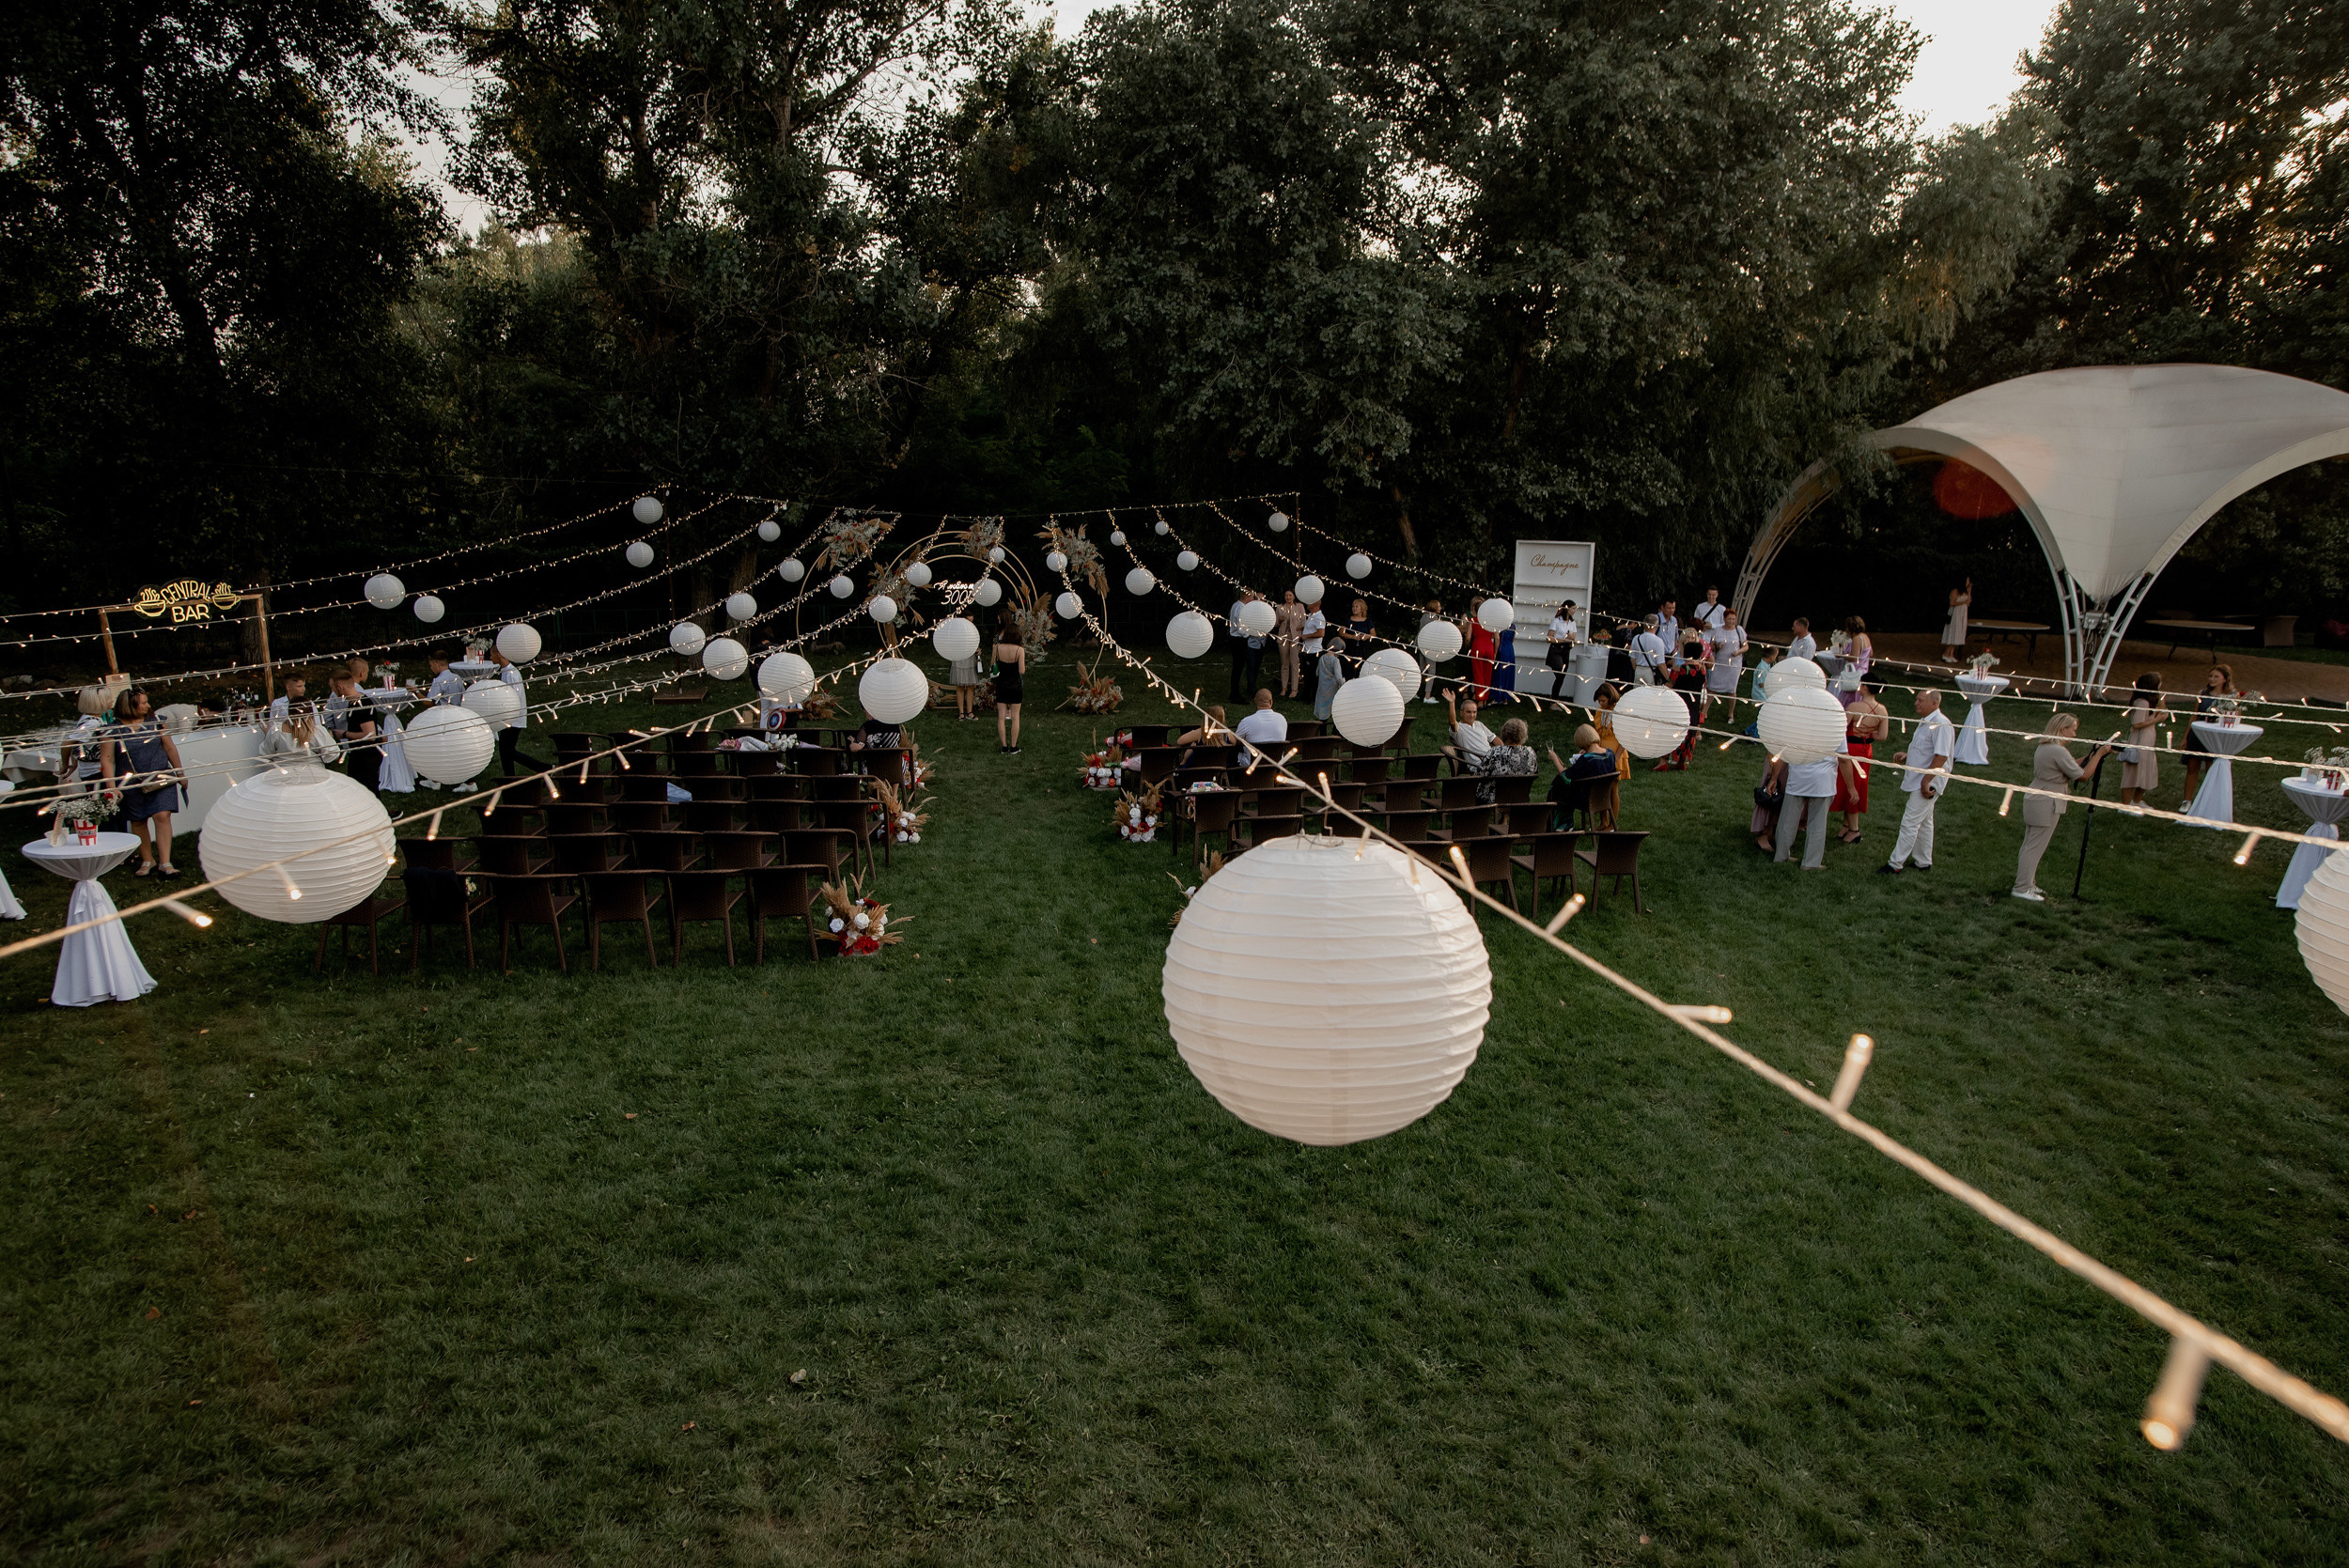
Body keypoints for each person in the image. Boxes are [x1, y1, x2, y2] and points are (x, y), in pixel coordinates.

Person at [2015, 713, 2115, 902]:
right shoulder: (2057, 750)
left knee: (2030, 844)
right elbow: (2083, 775)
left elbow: (2069, 766)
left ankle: (2027, 882)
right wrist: (2099, 755)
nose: (2074, 735)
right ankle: (2021, 887)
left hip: (2038, 797)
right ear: (2063, 729)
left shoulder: (2047, 746)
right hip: (2047, 801)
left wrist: (2092, 754)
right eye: (2073, 730)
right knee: (2034, 847)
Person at [100, 688, 185, 877]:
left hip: (160, 778)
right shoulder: (112, 729)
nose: (148, 705)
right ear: (130, 706)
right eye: (144, 702)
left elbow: (169, 748)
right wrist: (111, 788)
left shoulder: (156, 722)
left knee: (162, 815)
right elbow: (107, 759)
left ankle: (165, 862)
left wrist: (180, 772)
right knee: (138, 820)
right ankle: (148, 859)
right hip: (131, 781)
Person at [1880, 689, 1954, 874]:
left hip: (1928, 781)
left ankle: (1895, 864)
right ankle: (1923, 861)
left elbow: (1941, 756)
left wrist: (1926, 780)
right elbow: (1927, 749)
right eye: (1916, 700)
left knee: (1910, 822)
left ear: (1934, 703)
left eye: (1920, 700)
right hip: (1921, 778)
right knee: (1925, 821)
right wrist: (1908, 755)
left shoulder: (1941, 725)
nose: (1916, 703)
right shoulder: (1925, 722)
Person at [1834, 675, 1890, 842]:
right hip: (1866, 750)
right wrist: (1869, 734)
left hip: (1851, 749)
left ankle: (1854, 829)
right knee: (1857, 784)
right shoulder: (1882, 710)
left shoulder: (1854, 706)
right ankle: (1846, 826)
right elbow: (1883, 736)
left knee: (1850, 786)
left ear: (1865, 687)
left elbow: (1841, 727)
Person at [1775, 735, 1841, 869]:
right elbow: (1844, 757)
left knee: (1787, 820)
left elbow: (1783, 753)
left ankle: (1781, 856)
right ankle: (1810, 863)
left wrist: (1773, 777)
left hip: (1798, 778)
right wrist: (1852, 788)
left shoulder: (1796, 724)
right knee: (1817, 823)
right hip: (1822, 782)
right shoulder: (1835, 726)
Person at [2180, 663, 2235, 804]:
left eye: (2216, 676)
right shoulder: (2202, 693)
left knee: (2211, 769)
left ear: (2225, 679)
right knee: (2192, 767)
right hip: (2197, 734)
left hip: (2215, 736)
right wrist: (2186, 737)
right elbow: (2194, 716)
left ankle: (2208, 801)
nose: (2212, 679)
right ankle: (2187, 801)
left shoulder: (2231, 696)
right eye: (2211, 676)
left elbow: (2235, 717)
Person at [1546, 726, 1620, 827]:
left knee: (1557, 788)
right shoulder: (1610, 754)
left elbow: (1566, 777)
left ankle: (1561, 825)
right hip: (1604, 797)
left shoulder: (1586, 760)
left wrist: (1555, 759)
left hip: (1586, 799)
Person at [1470, 717, 1536, 804]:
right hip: (1520, 797)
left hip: (1495, 798)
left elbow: (1480, 774)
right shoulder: (1530, 753)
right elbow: (1534, 772)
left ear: (1504, 733)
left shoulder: (1495, 752)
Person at [489, 644, 532, 776]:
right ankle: (510, 777)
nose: (490, 658)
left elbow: (514, 697)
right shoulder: (506, 672)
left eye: (491, 654)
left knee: (508, 751)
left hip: (514, 719)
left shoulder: (511, 674)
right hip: (509, 719)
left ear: (499, 655)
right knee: (505, 751)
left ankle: (546, 768)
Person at [2119, 672, 2162, 805]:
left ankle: (2137, 801)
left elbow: (2161, 709)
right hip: (2140, 740)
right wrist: (2157, 720)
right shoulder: (2142, 703)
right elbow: (2137, 724)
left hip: (2148, 739)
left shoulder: (2150, 701)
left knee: (2147, 770)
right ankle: (2125, 805)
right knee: (2134, 772)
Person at [335, 675, 382, 792]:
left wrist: (345, 734)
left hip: (367, 757)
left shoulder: (362, 704)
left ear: (340, 687)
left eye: (332, 688)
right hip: (358, 755)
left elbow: (370, 735)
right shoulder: (353, 703)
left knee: (369, 791)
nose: (332, 691)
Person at [1702, 609, 1747, 723]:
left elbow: (1746, 646)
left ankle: (1730, 714)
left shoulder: (1739, 630)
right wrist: (1717, 646)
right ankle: (1704, 712)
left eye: (1733, 619)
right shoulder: (1718, 630)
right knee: (1712, 688)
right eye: (1729, 619)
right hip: (1720, 662)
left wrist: (1738, 652)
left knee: (1731, 689)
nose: (1731, 621)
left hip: (1734, 664)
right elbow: (1711, 646)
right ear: (1724, 619)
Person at [993, 613, 1027, 754]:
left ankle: (1003, 746)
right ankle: (1013, 747)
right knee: (1015, 717)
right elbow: (1022, 670)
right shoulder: (1020, 650)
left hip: (1001, 685)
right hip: (1015, 686)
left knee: (1001, 717)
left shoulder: (997, 648)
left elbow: (992, 665)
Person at [260, 712, 340, 768]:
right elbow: (333, 755)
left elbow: (266, 754)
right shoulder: (318, 731)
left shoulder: (275, 731)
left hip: (284, 775)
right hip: (314, 773)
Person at [1443, 689, 1495, 772]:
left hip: (1492, 760)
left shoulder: (1479, 724)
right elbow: (1452, 722)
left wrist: (1504, 751)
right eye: (1468, 712)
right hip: (1479, 764)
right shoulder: (1459, 728)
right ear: (1461, 713)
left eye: (1474, 712)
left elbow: (1496, 740)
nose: (1472, 715)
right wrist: (1452, 703)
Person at [1227, 591, 1266, 701]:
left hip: (1236, 639)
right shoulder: (1241, 608)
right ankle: (1235, 695)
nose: (1253, 599)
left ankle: (1235, 692)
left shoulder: (1236, 604)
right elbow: (1241, 629)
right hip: (1239, 640)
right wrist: (1251, 632)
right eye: (1252, 597)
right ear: (1247, 596)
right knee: (1238, 668)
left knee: (1237, 668)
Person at [1234, 689, 1289, 760]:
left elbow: (1236, 741)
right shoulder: (1282, 719)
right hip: (1277, 763)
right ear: (1271, 702)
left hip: (1253, 764)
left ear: (1255, 701)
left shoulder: (1246, 722)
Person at [1751, 755, 1790, 853]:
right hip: (1778, 760)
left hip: (1789, 761)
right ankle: (1763, 835)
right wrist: (1773, 775)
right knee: (1770, 793)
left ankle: (1772, 832)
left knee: (1781, 795)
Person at [1274, 591, 1307, 698]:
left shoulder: (1299, 607)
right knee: (1284, 663)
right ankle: (1284, 687)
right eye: (1286, 595)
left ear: (1293, 596)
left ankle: (1294, 689)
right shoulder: (1280, 607)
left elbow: (1304, 622)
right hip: (1283, 636)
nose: (1288, 597)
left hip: (1295, 637)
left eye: (1290, 595)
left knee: (1294, 662)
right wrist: (1280, 619)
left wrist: (1300, 629)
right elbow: (1275, 624)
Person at [1414, 598, 1446, 704]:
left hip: (1420, 644)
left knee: (1421, 669)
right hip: (1429, 646)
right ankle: (1427, 697)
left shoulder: (1424, 616)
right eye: (1439, 606)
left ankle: (1414, 691)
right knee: (1431, 671)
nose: (1440, 608)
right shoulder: (1434, 618)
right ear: (1434, 607)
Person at [1545, 601, 1579, 698]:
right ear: (1567, 609)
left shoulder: (1572, 622)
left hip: (1566, 651)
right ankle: (1554, 700)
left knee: (1562, 676)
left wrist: (1572, 638)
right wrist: (1563, 640)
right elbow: (1548, 638)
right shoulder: (1557, 621)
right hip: (1556, 650)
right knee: (1560, 674)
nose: (1574, 611)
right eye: (1573, 608)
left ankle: (1554, 698)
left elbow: (1574, 638)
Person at [1837, 616, 1873, 706]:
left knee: (1850, 699)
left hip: (1855, 673)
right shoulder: (1865, 637)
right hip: (1864, 671)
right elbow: (1870, 653)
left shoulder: (1857, 638)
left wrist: (1841, 655)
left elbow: (1854, 657)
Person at [1312, 635, 1346, 722]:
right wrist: (1343, 684)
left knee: (1323, 706)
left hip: (1322, 686)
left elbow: (1317, 673)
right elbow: (1338, 677)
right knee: (1333, 707)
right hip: (1332, 688)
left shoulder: (1322, 657)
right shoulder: (1335, 660)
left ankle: (1322, 728)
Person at [1627, 615, 1669, 684]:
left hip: (1638, 670)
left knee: (1636, 693)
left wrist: (1637, 670)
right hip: (1651, 671)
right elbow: (1661, 664)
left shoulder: (1636, 638)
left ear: (1644, 625)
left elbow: (1632, 659)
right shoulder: (1658, 641)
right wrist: (1668, 679)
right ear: (1656, 625)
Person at [1941, 577, 1973, 662]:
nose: (1968, 582)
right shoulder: (1955, 591)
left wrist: (1969, 590)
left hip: (1962, 614)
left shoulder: (1965, 591)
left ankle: (1951, 654)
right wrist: (1963, 603)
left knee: (1958, 633)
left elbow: (1969, 601)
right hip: (1955, 614)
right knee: (1953, 633)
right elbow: (1952, 603)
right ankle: (1946, 653)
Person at [1467, 611, 1497, 701]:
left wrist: (1466, 645)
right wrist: (1495, 652)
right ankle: (1485, 699)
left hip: (1477, 646)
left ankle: (1480, 699)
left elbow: (1468, 637)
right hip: (1489, 646)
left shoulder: (1472, 620)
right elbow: (1497, 638)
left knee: (1478, 673)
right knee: (1488, 674)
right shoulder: (1492, 622)